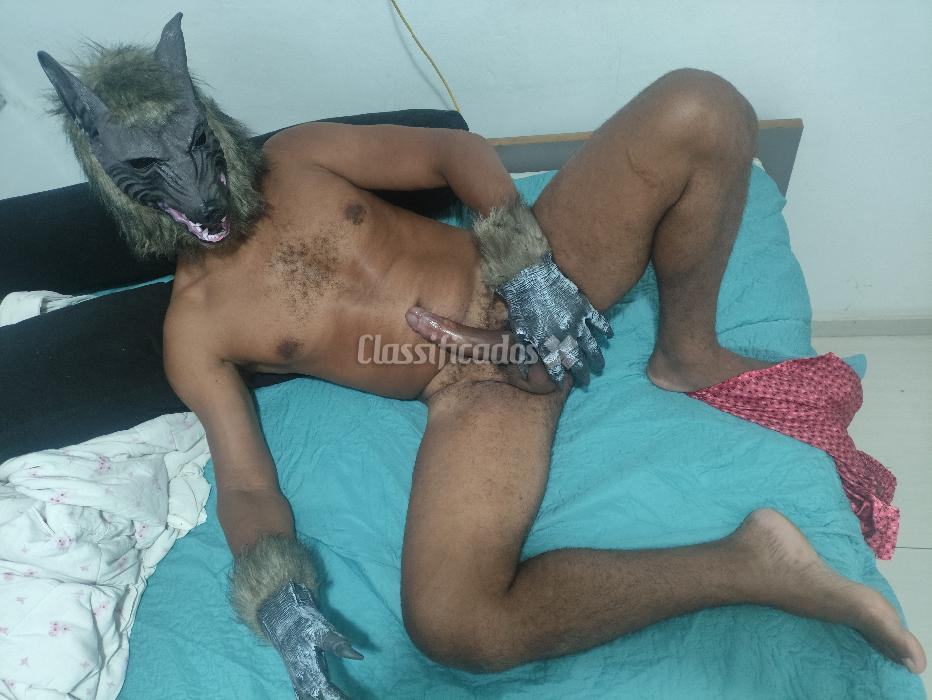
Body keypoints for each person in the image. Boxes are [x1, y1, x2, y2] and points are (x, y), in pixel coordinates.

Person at [37, 13, 925, 698]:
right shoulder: (193, 331)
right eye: (153, 171)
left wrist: (526, 269)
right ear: (117, 186)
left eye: (195, 147)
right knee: (454, 625)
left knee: (703, 103)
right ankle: (751, 564)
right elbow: (244, 487)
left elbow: (452, 152)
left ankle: (686, 353)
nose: (195, 185)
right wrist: (279, 596)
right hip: (471, 390)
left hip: (533, 273)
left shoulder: (297, 157)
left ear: (210, 122)